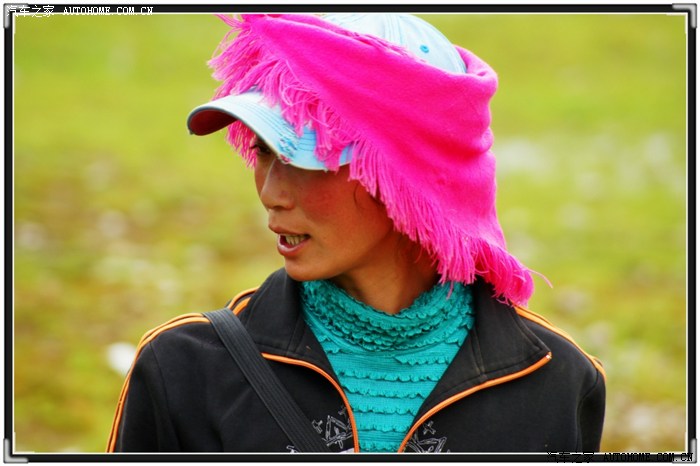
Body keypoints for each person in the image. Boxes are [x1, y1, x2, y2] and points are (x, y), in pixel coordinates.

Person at [107, 13, 605, 454]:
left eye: (302, 156)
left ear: (405, 175)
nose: (271, 193)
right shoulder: (186, 371)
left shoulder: (556, 383)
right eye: (262, 151)